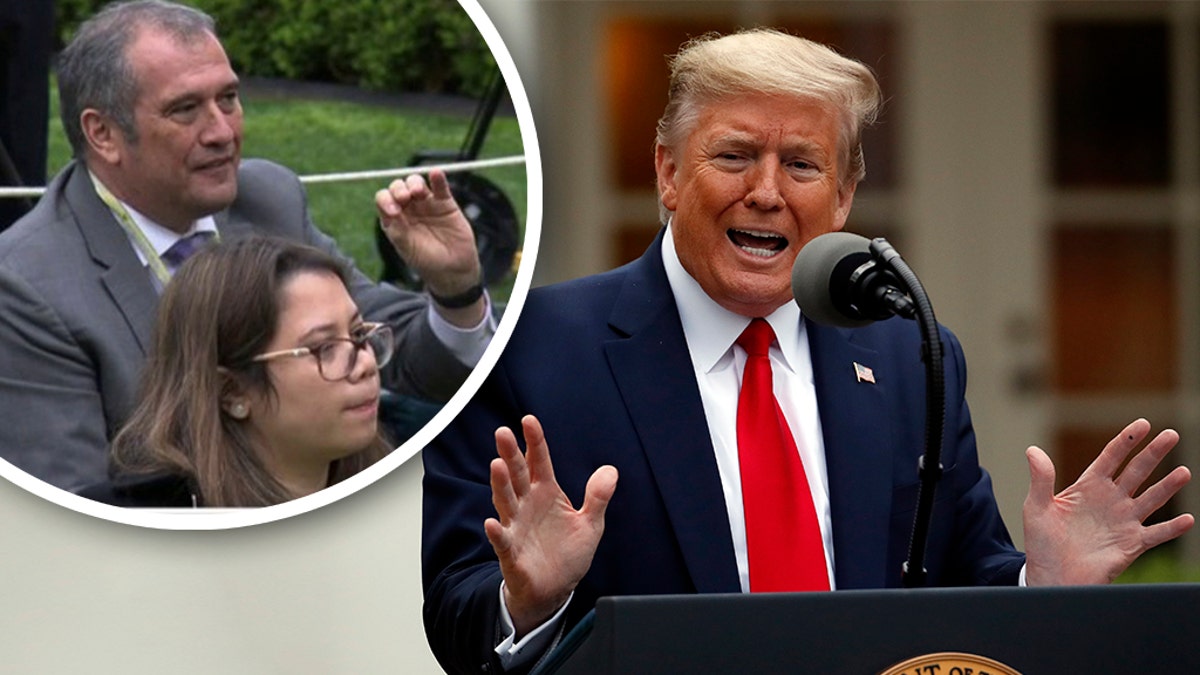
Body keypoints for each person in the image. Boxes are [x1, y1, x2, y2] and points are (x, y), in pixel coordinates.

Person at [421, 28, 1194, 674]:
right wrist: (530, 601)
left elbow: (957, 589)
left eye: (801, 164)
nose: (766, 191)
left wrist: (1041, 584)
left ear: (845, 195)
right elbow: (459, 620)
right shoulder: (525, 353)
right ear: (666, 170)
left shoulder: (906, 357)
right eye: (732, 156)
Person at [0, 0, 494, 493]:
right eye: (185, 109)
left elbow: (408, 359)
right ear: (102, 133)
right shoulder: (27, 283)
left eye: (229, 99)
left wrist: (456, 289)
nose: (222, 133)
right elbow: (75, 505)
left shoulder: (268, 200)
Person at [79, 237, 392, 507]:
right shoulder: (130, 531)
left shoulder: (413, 498)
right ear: (230, 391)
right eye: (324, 348)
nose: (364, 364)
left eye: (358, 333)